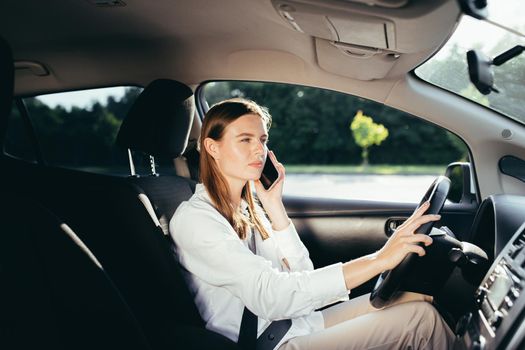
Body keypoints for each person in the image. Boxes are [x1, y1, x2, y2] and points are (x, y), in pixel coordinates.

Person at [169, 98, 455, 349]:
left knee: (418, 299)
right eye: (245, 139)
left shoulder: (248, 208)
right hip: (270, 343)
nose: (259, 150)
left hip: (295, 324)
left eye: (263, 140)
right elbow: (272, 298)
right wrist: (380, 259)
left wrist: (274, 206)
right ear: (212, 147)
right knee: (422, 321)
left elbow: (302, 271)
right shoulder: (196, 220)